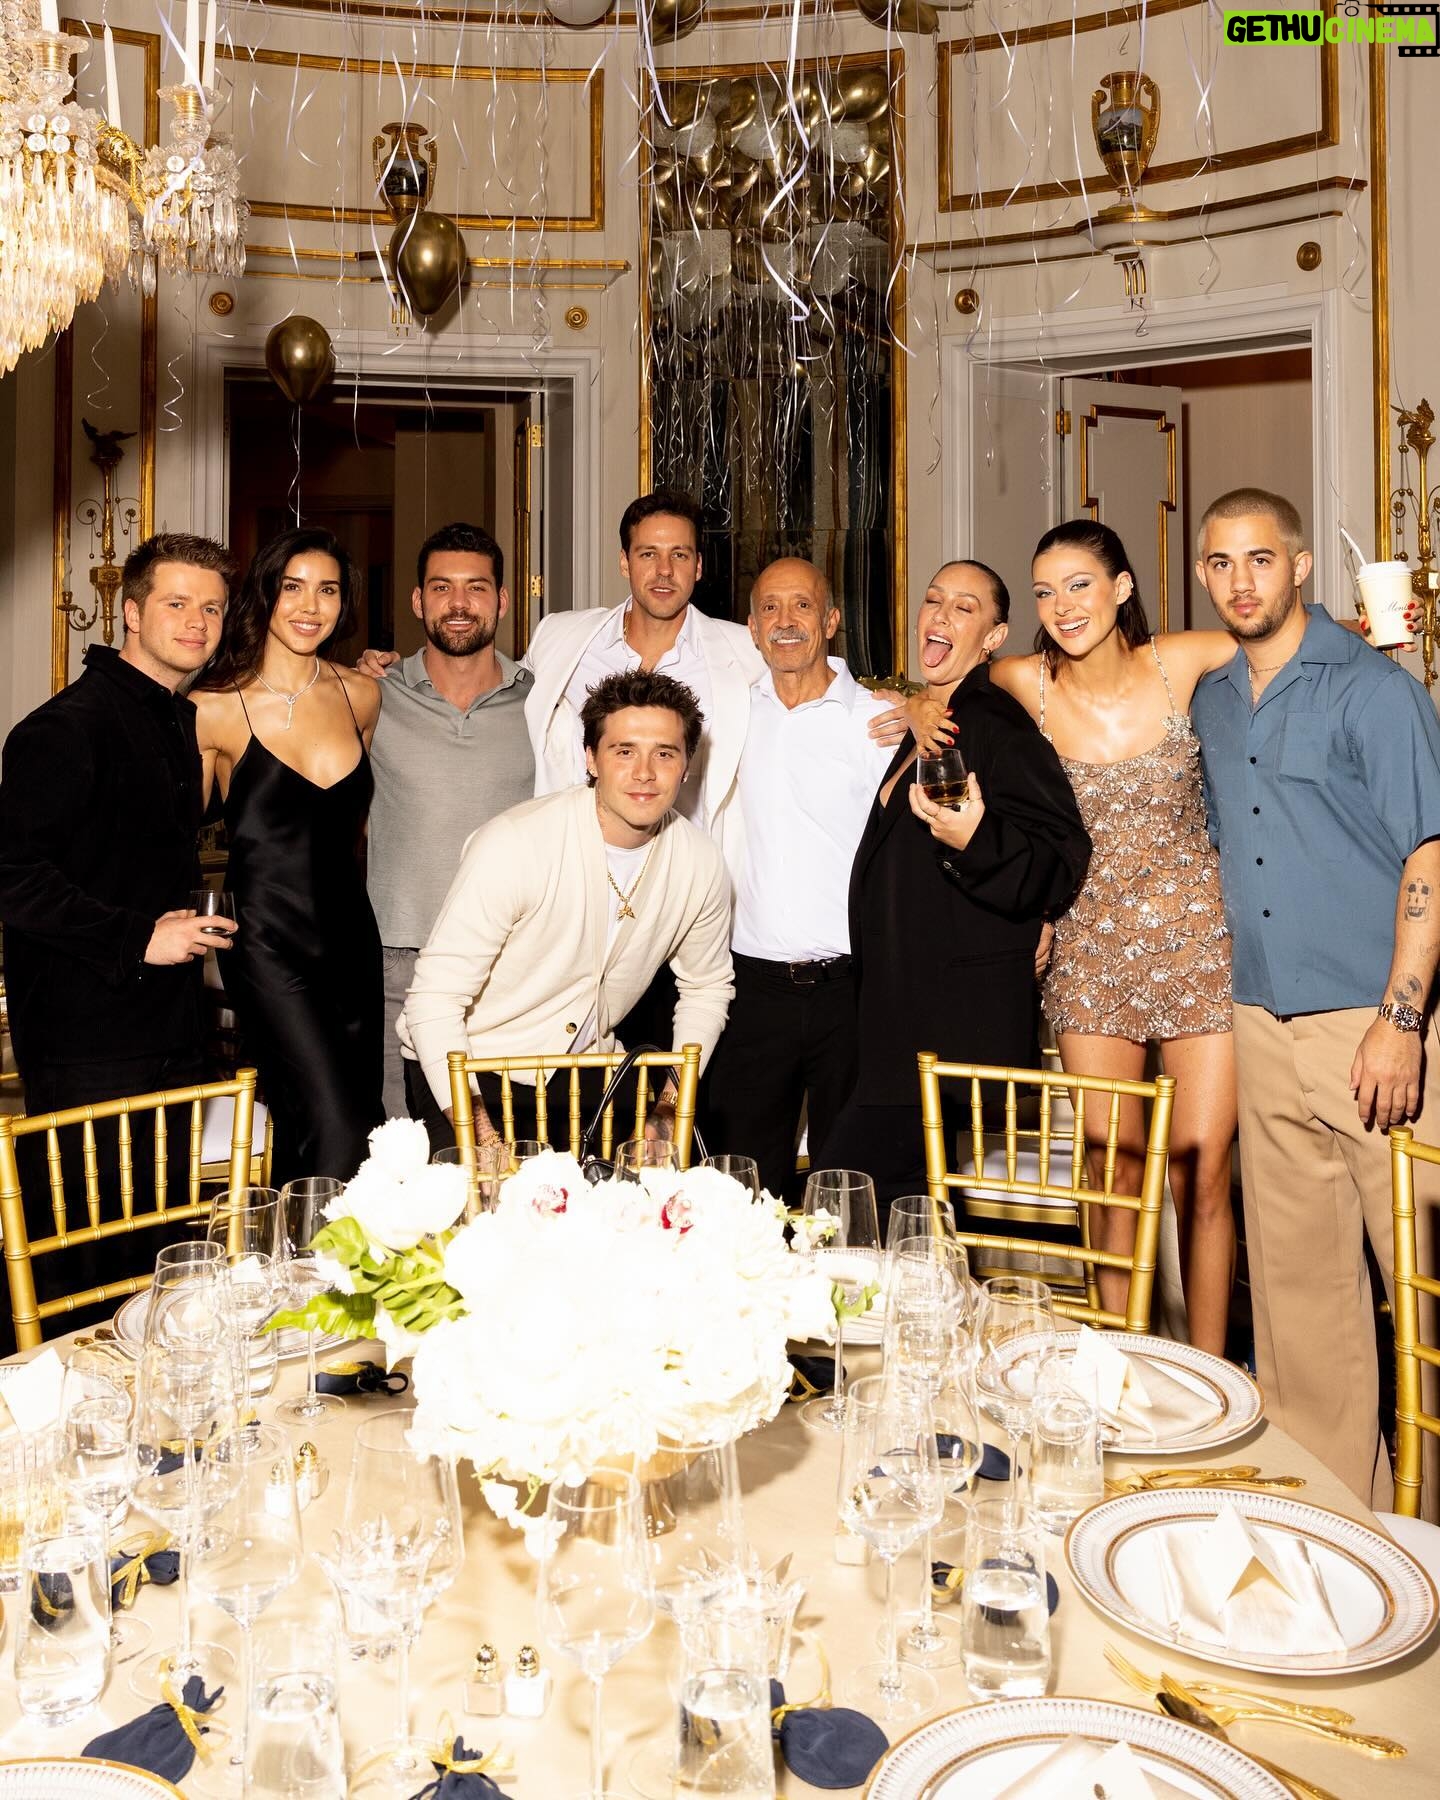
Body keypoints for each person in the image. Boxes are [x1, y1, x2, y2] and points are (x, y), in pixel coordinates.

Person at [1191, 487, 1440, 1510]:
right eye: (1219, 563)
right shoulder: (1212, 698)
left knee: (1421, 1294)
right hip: (1259, 1022)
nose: (1240, 581)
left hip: (1372, 1026)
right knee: (1301, 1307)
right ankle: (1337, 1523)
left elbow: (1431, 856)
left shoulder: (1374, 691)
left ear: (1299, 567)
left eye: (1260, 559)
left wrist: (1401, 1020)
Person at [988, 520, 1238, 1355]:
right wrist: (917, 705)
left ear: (1122, 588)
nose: (1062, 606)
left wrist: (1384, 624)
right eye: (1045, 592)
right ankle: (1120, 1370)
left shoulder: (1180, 661)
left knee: (1202, 1171)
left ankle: (1210, 1379)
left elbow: (1289, 639)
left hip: (1198, 946)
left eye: (1080, 585)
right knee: (1112, 1173)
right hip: (1089, 952)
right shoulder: (1025, 682)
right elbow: (943, 692)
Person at [0, 531, 237, 1329]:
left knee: (157, 1265)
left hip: (166, 1032)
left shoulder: (173, 721)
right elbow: (14, 879)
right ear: (131, 612)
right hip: (87, 1044)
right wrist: (139, 937)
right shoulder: (65, 728)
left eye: (212, 607)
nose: (197, 621)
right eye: (177, 603)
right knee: (86, 1274)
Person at [823, 561, 1091, 1208]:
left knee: (833, 1199)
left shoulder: (996, 724)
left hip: (948, 1037)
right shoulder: (934, 721)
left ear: (994, 637)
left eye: (964, 608)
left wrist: (976, 838)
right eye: (933, 599)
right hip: (896, 1032)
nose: (940, 615)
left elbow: (1061, 855)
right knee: (907, 1219)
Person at [399, 669, 733, 1150]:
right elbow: (434, 1000)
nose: (645, 772)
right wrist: (482, 1137)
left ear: (685, 766)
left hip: (587, 1068)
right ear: (591, 758)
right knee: (486, 1198)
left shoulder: (700, 861)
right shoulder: (515, 843)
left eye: (664, 753)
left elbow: (707, 987)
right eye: (624, 751)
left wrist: (667, 1109)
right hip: (469, 1067)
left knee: (636, 1192)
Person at [193, 527, 384, 1187]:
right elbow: (165, 835)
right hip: (267, 945)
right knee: (338, 1130)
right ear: (265, 594)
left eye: (327, 590)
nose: (310, 605)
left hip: (351, 941)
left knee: (349, 1122)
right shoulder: (214, 708)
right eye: (292, 587)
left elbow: (350, 828)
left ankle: (295, 1247)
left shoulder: (362, 696)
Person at [705, 558, 895, 1199]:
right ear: (752, 628)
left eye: (803, 606)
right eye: (770, 608)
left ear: (831, 620)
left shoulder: (878, 721)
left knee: (852, 1186)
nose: (785, 621)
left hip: (852, 990)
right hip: (751, 990)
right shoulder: (727, 715)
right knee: (741, 1188)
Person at [364, 522, 535, 1121]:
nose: (458, 604)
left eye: (476, 588)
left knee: (505, 1140)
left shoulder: (544, 702)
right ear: (418, 601)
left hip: (510, 961)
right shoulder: (372, 693)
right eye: (441, 588)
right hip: (399, 961)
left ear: (502, 600)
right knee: (400, 1142)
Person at [522, 490, 762, 846]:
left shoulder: (748, 653)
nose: (664, 570)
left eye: (679, 555)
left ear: (698, 566)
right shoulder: (560, 637)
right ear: (625, 562)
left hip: (687, 865)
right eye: (648, 554)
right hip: (577, 858)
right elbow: (498, 689)